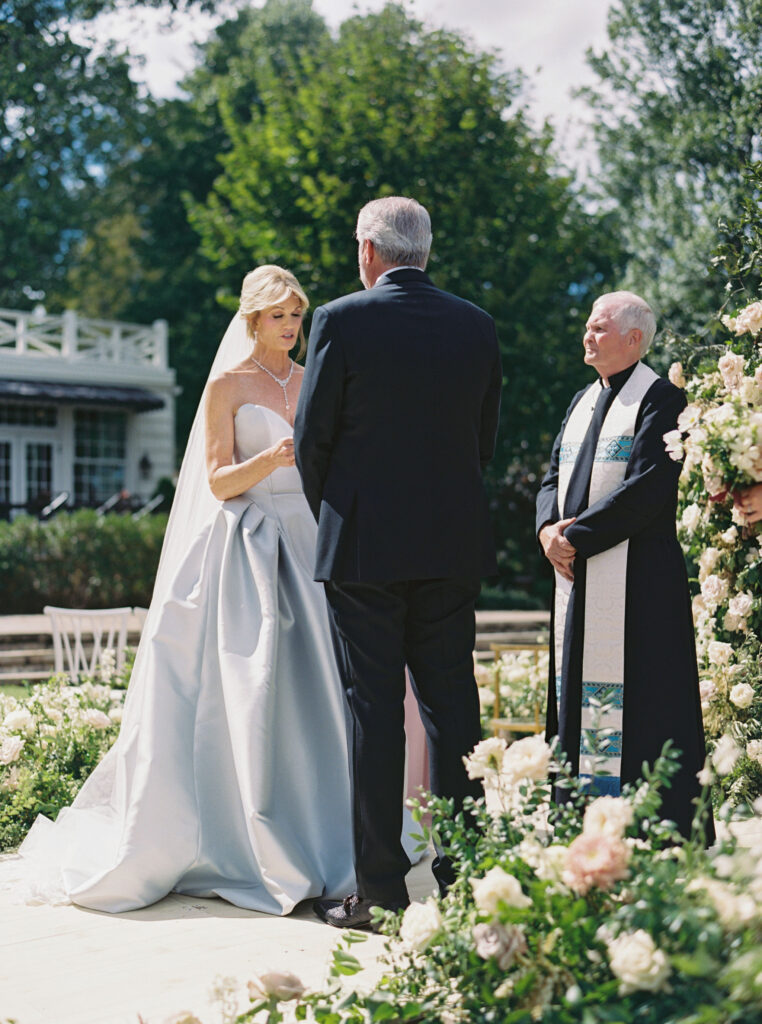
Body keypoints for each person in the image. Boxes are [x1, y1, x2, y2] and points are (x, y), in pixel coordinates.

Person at [14, 265, 421, 914]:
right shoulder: (227, 387)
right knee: (256, 692)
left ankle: (338, 833)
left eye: (297, 315)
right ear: (253, 320)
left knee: (330, 692)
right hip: (251, 546)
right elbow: (216, 481)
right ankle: (249, 835)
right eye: (280, 316)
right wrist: (272, 458)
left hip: (316, 541)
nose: (292, 327)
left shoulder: (316, 376)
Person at [294, 196, 502, 928]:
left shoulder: (340, 320)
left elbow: (310, 443)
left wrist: (344, 517)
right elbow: (483, 442)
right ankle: (473, 879)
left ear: (368, 251)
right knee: (454, 711)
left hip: (364, 552)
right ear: (425, 252)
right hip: (450, 547)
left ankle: (378, 892)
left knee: (374, 714)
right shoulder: (477, 326)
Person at [536, 290, 713, 840]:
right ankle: (578, 819)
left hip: (640, 583)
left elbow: (647, 489)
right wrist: (547, 530)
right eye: (587, 327)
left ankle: (651, 825)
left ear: (634, 339)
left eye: (598, 328)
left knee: (645, 701)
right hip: (578, 574)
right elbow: (551, 476)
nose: (587, 336)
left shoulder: (662, 399)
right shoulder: (581, 400)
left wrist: (574, 539)